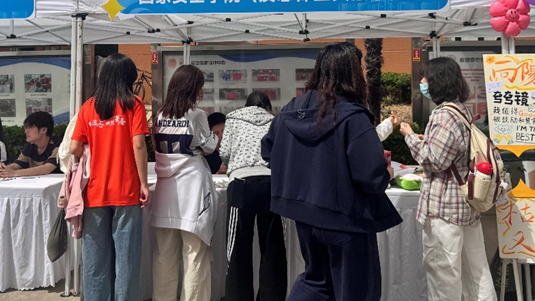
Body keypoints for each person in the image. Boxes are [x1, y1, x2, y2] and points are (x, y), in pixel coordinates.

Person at [262, 43, 401, 301]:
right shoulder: (353, 116)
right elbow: (371, 175)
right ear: (352, 73)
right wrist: (387, 174)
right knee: (357, 289)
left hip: (304, 215)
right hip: (347, 219)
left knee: (316, 281)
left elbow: (269, 151)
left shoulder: (291, 110)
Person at [400, 57, 496, 301]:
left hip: (445, 208)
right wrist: (427, 140)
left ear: (437, 81)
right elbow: (452, 150)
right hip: (466, 204)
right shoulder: (460, 109)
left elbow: (434, 161)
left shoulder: (443, 115)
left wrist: (409, 137)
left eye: (425, 77)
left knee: (443, 273)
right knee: (476, 272)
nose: (422, 82)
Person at [69, 53, 150, 301]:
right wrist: (144, 184)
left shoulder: (88, 106)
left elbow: (74, 147)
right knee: (127, 260)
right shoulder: (133, 104)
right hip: (127, 190)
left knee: (95, 261)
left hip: (94, 192)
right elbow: (139, 145)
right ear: (128, 77)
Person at [150, 65, 218, 301]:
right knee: (195, 254)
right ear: (193, 87)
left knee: (164, 255)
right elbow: (209, 146)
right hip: (192, 188)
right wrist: (213, 137)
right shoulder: (196, 114)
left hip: (165, 190)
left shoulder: (159, 115)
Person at [220, 91, 287, 301]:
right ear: (268, 107)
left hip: (241, 183)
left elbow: (224, 152)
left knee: (238, 248)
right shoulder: (276, 121)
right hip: (270, 183)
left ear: (246, 105)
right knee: (272, 247)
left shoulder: (233, 118)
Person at [0, 111, 61, 177]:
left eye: (30, 127)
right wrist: (2, 169)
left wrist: (15, 173)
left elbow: (47, 168)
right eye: (26, 128)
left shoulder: (58, 145)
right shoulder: (31, 146)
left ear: (43, 130)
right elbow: (17, 164)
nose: (26, 131)